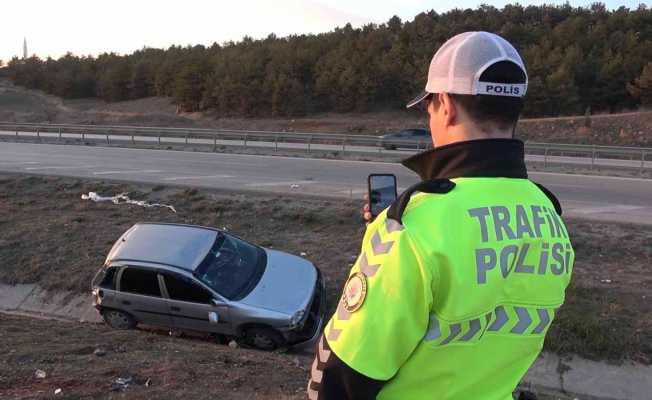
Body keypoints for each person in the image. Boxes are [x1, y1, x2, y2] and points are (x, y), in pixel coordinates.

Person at [307, 31, 574, 400]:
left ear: (445, 104)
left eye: (428, 106)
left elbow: (341, 377)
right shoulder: (549, 216)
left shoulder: (414, 226)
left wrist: (388, 243)